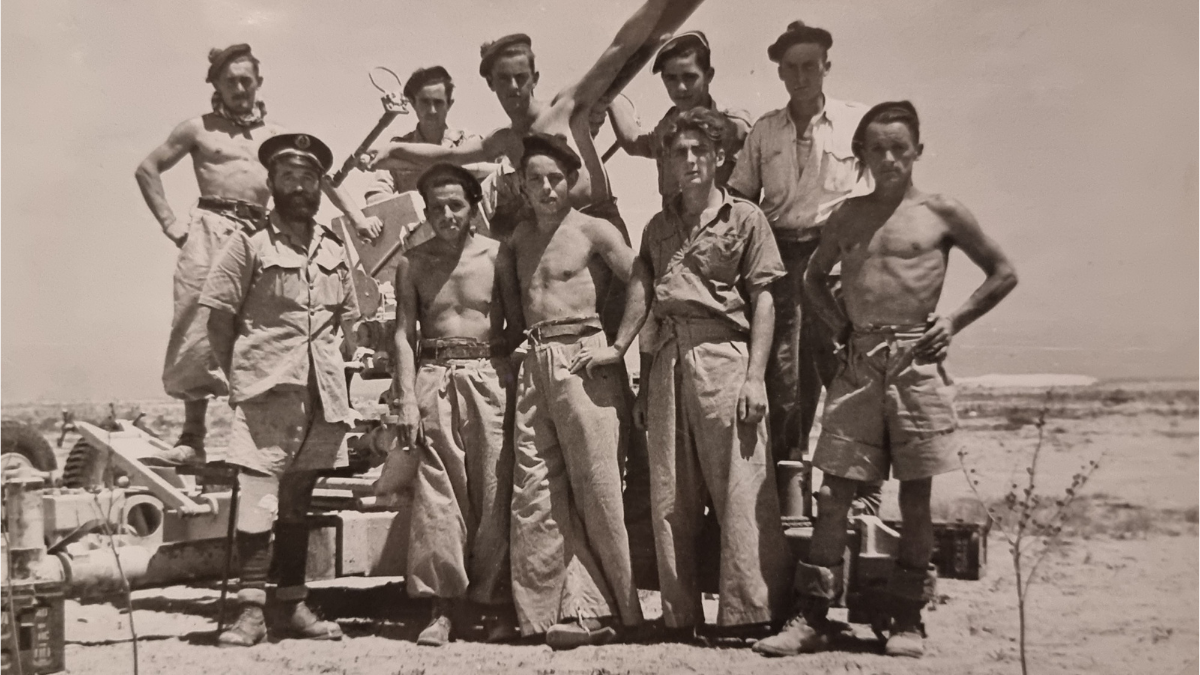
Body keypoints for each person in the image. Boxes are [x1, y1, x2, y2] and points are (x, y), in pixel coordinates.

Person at [753, 101, 1018, 658]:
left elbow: (1003, 272)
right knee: (833, 493)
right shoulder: (848, 215)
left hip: (917, 364)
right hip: (860, 362)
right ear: (861, 155)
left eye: (900, 147)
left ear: (918, 150)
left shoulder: (942, 211)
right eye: (877, 148)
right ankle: (812, 615)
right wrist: (840, 328)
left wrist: (952, 322)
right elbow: (811, 278)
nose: (890, 158)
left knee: (916, 498)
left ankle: (907, 617)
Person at [570, 109, 791, 638]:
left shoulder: (746, 219)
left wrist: (755, 377)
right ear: (666, 162)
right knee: (670, 496)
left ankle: (751, 614)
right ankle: (679, 616)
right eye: (678, 153)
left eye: (699, 151)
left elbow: (764, 300)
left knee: (740, 486)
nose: (689, 161)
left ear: (719, 158)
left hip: (724, 357)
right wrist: (627, 355)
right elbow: (645, 299)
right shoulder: (657, 227)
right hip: (667, 360)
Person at [135, 44, 379, 464]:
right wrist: (171, 224)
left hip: (260, 232)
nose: (239, 88)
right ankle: (192, 435)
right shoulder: (197, 129)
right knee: (197, 322)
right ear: (215, 84)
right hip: (210, 228)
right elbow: (147, 168)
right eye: (230, 81)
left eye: (246, 80)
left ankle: (255, 431)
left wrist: (356, 217)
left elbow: (321, 176)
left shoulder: (276, 136)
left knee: (267, 325)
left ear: (259, 82)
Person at [199, 133, 359, 647]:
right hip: (267, 393)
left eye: (308, 178)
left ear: (319, 186)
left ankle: (292, 605)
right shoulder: (248, 244)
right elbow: (218, 319)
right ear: (271, 183)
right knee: (258, 501)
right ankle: (250, 613)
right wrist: (242, 378)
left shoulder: (334, 248)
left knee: (297, 502)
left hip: (322, 396)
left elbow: (348, 320)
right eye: (288, 176)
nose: (299, 187)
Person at [501, 134, 641, 649]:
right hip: (534, 361)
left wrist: (618, 347)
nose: (546, 188)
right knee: (535, 491)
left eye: (555, 179)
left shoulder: (592, 229)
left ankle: (622, 613)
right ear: (521, 185)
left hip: (584, 357)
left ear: (572, 181)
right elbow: (515, 306)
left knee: (598, 490)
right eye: (535, 179)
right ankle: (548, 613)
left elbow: (642, 279)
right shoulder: (518, 239)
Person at [727, 22, 869, 466]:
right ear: (780, 72)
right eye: (792, 67)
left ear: (827, 66)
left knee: (847, 368)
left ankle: (854, 484)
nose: (801, 76)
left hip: (838, 262)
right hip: (781, 259)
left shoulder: (857, 122)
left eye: (810, 66)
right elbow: (741, 200)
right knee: (785, 379)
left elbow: (876, 198)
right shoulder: (765, 131)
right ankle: (790, 481)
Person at [392, 163, 522, 646]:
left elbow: (516, 325)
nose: (446, 215)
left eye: (455, 205)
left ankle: (494, 601)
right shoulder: (412, 262)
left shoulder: (498, 255)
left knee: (495, 488)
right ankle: (442, 606)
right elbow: (403, 334)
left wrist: (513, 385)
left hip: (489, 374)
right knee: (437, 494)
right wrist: (406, 397)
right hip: (433, 376)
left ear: (473, 207)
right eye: (436, 208)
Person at [607, 31, 751, 199]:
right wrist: (611, 100)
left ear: (708, 76)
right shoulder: (669, 125)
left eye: (689, 77)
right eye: (671, 78)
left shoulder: (735, 127)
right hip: (673, 216)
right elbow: (635, 143)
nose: (680, 87)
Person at [363, 66, 497, 204]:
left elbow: (492, 185)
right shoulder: (399, 149)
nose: (432, 111)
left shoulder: (468, 142)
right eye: (425, 102)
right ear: (413, 104)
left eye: (438, 103)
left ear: (449, 104)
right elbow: (375, 195)